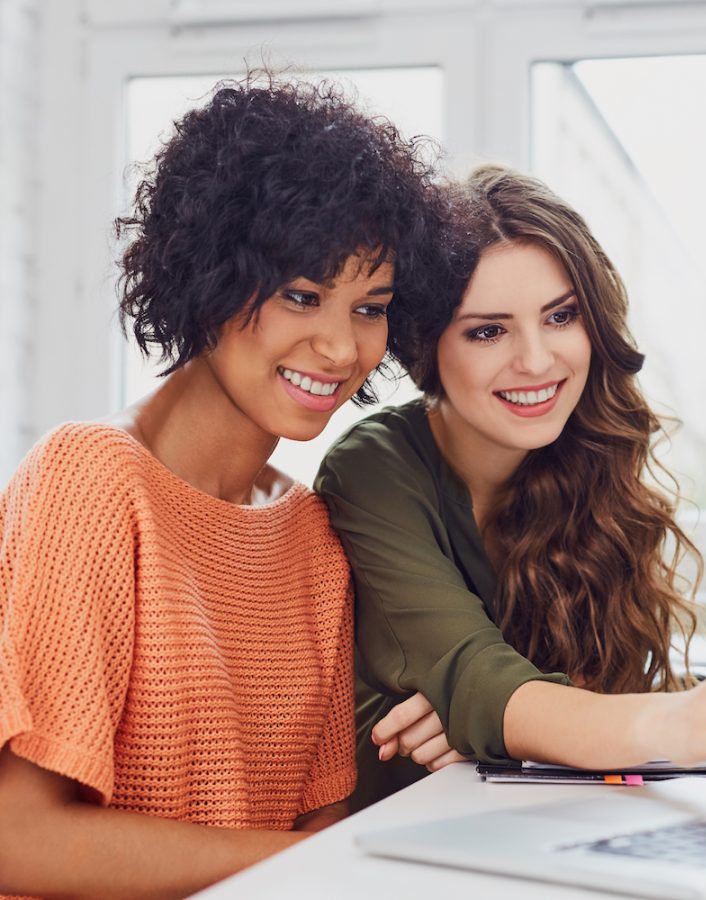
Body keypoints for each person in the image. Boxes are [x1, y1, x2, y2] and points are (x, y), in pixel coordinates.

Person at [0, 74, 449, 897]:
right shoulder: (92, 481)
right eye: (302, 296)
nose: (342, 349)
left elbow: (314, 831)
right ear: (208, 277)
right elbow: (15, 839)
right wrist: (334, 865)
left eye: (369, 307)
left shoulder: (312, 537)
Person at [315, 165, 706, 811]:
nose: (538, 360)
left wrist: (495, 726)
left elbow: (566, 699)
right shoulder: (374, 468)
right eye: (488, 330)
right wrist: (499, 712)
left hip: (546, 825)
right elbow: (478, 679)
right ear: (424, 346)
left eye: (561, 316)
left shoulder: (588, 456)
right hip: (393, 845)